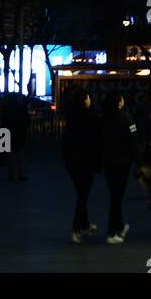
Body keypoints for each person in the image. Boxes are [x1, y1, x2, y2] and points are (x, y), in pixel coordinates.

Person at [62, 88, 101, 243]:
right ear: (85, 100)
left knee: (81, 193)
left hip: (72, 161)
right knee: (83, 195)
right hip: (87, 160)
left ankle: (84, 225)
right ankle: (76, 228)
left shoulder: (71, 117)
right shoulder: (91, 117)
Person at [101, 90, 139, 243]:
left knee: (114, 193)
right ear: (119, 103)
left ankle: (119, 226)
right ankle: (112, 231)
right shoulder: (126, 118)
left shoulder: (103, 119)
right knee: (117, 196)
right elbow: (133, 140)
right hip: (123, 161)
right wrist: (138, 160)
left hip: (108, 160)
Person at [0, 91, 29, 182]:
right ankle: (21, 174)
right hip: (20, 134)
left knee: (10, 155)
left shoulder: (5, 109)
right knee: (20, 154)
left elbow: (3, 122)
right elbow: (26, 120)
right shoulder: (21, 109)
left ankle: (12, 174)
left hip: (8, 133)